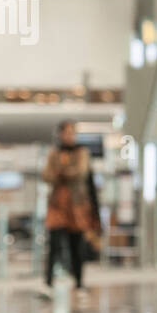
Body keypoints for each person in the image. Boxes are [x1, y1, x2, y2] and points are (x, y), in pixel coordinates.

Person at [41, 121, 97, 298]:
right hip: (57, 205)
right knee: (54, 245)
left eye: (72, 132)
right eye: (66, 132)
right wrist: (63, 172)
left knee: (76, 245)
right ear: (60, 134)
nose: (69, 136)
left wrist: (60, 172)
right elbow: (46, 175)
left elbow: (80, 173)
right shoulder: (54, 152)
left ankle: (79, 283)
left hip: (77, 206)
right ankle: (48, 282)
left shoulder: (82, 152)